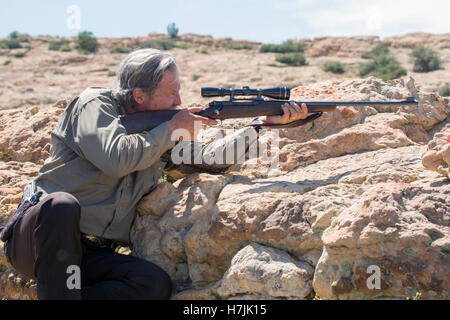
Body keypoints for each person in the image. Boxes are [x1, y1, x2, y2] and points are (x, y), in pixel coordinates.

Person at [1, 48, 308, 300]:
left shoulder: (159, 133)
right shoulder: (93, 104)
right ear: (138, 96)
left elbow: (212, 160)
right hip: (39, 241)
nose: (179, 101)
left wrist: (260, 124)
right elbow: (116, 158)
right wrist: (172, 127)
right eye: (172, 93)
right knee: (62, 205)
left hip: (88, 257)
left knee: (152, 284)